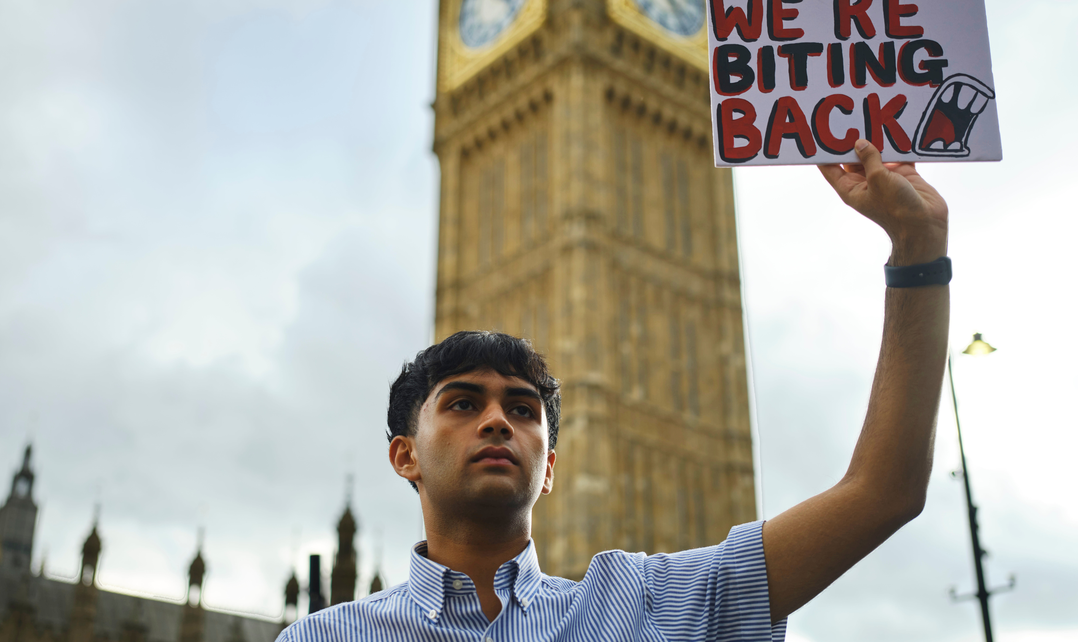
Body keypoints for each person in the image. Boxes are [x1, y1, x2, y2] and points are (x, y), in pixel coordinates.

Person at [277, 139, 950, 641]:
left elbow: (882, 492)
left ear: (550, 467)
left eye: (523, 408)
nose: (496, 421)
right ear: (405, 455)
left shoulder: (644, 602)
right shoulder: (320, 636)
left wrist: (917, 247)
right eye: (462, 402)